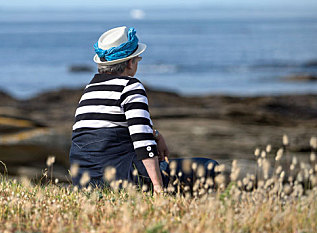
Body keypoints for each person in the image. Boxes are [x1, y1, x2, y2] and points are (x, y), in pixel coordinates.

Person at [69, 26, 217, 192]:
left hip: (84, 181)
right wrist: (158, 187)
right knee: (209, 167)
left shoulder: (90, 90)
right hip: (122, 179)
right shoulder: (130, 86)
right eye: (138, 59)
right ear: (130, 63)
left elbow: (110, 131)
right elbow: (142, 142)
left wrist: (155, 135)